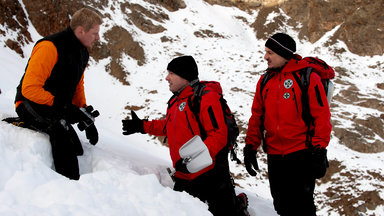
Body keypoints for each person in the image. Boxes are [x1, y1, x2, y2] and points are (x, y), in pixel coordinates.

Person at [122, 55, 249, 216]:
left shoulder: (206, 98)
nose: (167, 78)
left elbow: (218, 135)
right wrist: (142, 126)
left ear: (185, 76)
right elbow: (170, 127)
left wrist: (192, 159)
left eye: (171, 73)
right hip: (184, 174)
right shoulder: (175, 101)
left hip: (210, 174)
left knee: (225, 213)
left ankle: (239, 205)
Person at [243, 33, 332, 215]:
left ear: (284, 54)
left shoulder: (307, 77)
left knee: (302, 207)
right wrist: (251, 146)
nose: (265, 57)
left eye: (270, 52)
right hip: (275, 155)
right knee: (281, 205)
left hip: (301, 154)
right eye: (265, 52)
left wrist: (319, 149)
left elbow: (321, 116)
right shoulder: (265, 80)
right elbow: (257, 116)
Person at [13, 8, 103, 180]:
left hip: (54, 106)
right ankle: (69, 184)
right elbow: (29, 89)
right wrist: (64, 107)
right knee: (59, 130)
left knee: (77, 148)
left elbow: (77, 86)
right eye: (95, 33)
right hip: (29, 103)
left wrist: (84, 114)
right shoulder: (49, 47)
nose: (98, 38)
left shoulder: (82, 52)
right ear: (80, 31)